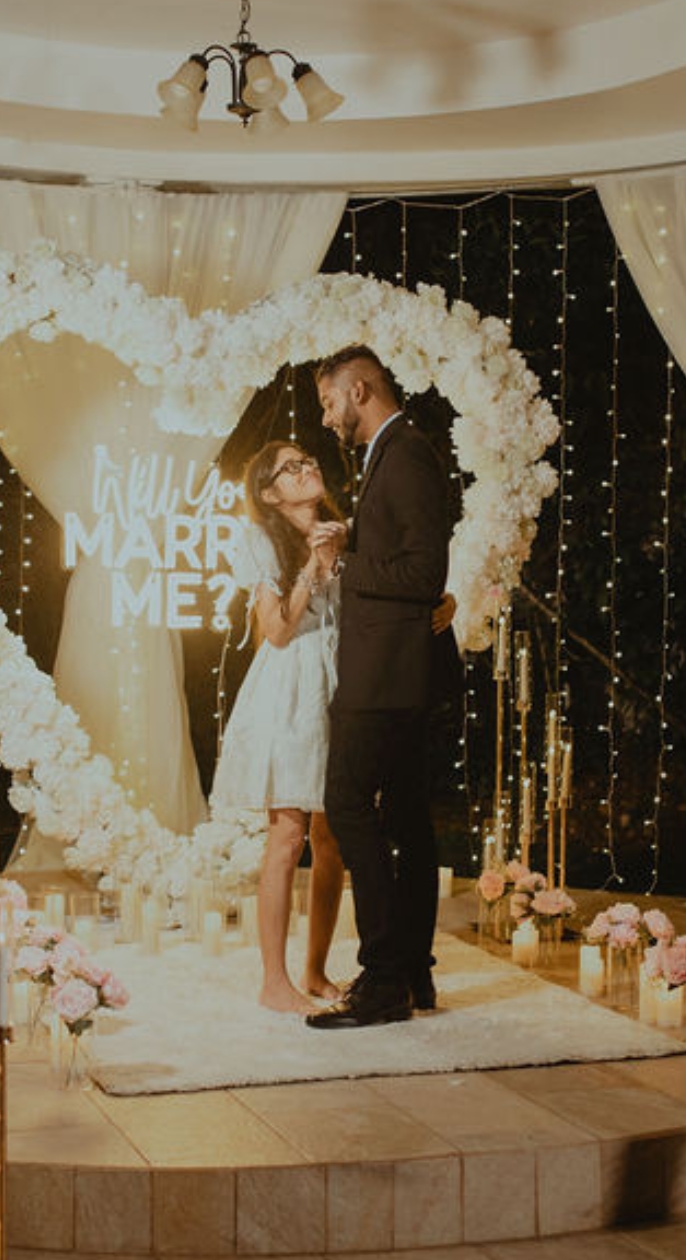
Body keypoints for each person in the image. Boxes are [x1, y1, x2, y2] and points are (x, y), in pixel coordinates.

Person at [304, 345, 462, 1030]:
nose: (326, 416)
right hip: (397, 670)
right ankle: (412, 973)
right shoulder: (393, 455)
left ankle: (381, 978)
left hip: (388, 675)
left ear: (360, 389)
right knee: (403, 818)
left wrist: (346, 561)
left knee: (346, 802)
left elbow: (423, 573)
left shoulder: (408, 454)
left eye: (329, 401)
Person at [209, 439, 350, 1013]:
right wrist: (314, 569)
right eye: (291, 468)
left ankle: (315, 971)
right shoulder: (261, 539)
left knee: (333, 838)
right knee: (288, 834)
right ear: (269, 493)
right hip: (291, 688)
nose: (307, 467)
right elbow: (276, 630)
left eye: (308, 459)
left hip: (339, 684)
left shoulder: (342, 530)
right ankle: (274, 981)